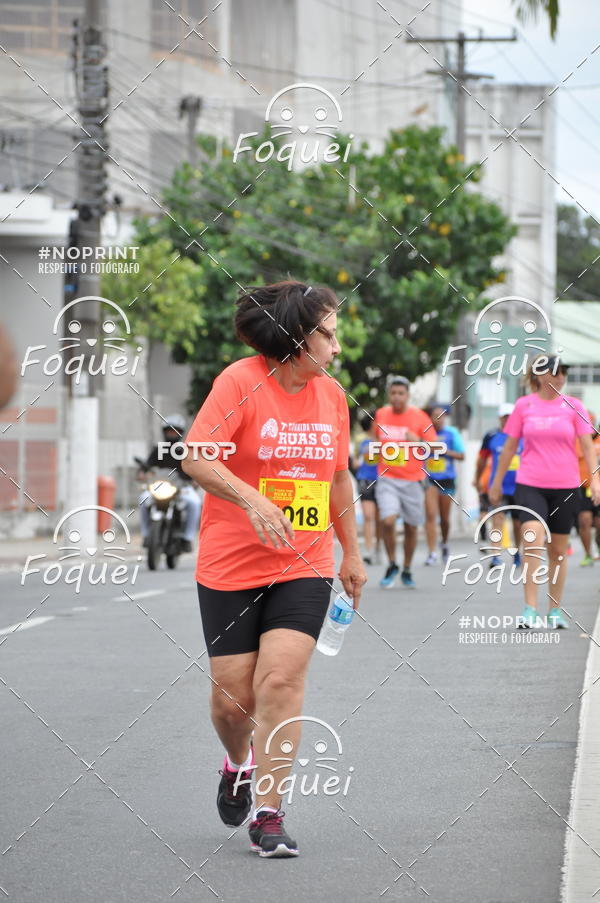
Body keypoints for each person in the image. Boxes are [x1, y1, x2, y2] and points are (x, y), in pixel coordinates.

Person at [181, 281, 366, 858]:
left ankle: (269, 812)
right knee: (232, 701)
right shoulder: (240, 382)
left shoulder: (332, 397)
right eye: (328, 335)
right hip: (231, 563)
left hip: (304, 561)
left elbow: (338, 477)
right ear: (297, 338)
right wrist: (253, 500)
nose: (337, 347)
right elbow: (196, 456)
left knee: (281, 681)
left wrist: (352, 552)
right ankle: (237, 762)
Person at [489, 355, 600, 629]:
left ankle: (554, 610)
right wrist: (496, 482)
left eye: (563, 372)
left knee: (558, 551)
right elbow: (510, 447)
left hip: (566, 486)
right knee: (532, 538)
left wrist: (595, 481)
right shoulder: (524, 406)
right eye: (555, 372)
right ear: (539, 375)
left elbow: (588, 447)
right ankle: (530, 608)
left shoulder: (574, 406)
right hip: (531, 483)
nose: (560, 377)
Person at [374, 376, 437, 589]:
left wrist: (418, 441)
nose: (397, 397)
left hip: (413, 480)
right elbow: (375, 439)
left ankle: (407, 568)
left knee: (411, 526)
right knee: (388, 520)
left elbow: (435, 448)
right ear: (389, 395)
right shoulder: (381, 414)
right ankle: (392, 563)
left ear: (407, 395)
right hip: (387, 478)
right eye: (393, 393)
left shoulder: (420, 417)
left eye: (401, 393)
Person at [137, 414, 202, 552]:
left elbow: (196, 468)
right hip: (160, 487)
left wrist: (196, 480)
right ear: (164, 432)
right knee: (143, 499)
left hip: (183, 488)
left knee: (195, 503)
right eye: (169, 431)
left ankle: (187, 538)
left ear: (180, 433)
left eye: (175, 431)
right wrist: (143, 473)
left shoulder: (186, 450)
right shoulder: (158, 449)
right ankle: (146, 535)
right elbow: (147, 466)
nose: (172, 434)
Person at [476, 403, 524, 568]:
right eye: (505, 417)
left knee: (518, 523)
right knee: (498, 519)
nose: (508, 420)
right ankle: (495, 555)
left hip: (520, 486)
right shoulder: (491, 436)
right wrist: (477, 479)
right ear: (500, 418)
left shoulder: (524, 435)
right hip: (498, 486)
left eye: (510, 417)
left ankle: (517, 552)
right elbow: (482, 460)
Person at [423, 404, 464, 564]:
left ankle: (445, 543)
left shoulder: (451, 433)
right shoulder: (425, 433)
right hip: (430, 480)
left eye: (442, 416)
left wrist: (443, 451)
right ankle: (432, 552)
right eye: (435, 416)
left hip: (447, 480)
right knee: (430, 515)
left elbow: (462, 455)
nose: (439, 419)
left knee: (444, 518)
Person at [352, 412, 382, 565]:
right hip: (365, 479)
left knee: (379, 517)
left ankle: (378, 547)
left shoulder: (385, 440)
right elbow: (356, 459)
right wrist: (356, 463)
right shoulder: (361, 440)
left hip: (381, 480)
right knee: (368, 516)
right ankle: (368, 550)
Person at [575, 411, 600, 566]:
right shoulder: (576, 442)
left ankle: (598, 544)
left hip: (599, 487)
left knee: (598, 523)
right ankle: (587, 554)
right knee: (584, 520)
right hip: (582, 487)